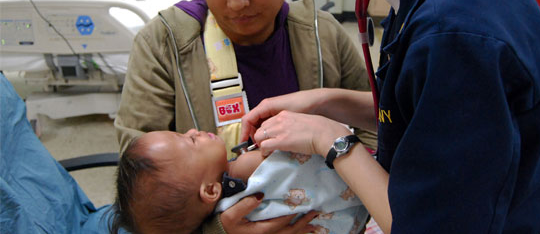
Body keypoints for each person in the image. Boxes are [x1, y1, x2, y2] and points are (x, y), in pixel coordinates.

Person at [242, 0, 540, 233]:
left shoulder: (452, 32)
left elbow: (428, 226)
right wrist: (324, 102)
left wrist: (330, 139)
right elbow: (429, 111)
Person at [114, 0, 376, 232]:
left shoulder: (321, 34)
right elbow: (142, 186)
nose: (236, 2)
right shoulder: (166, 44)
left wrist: (346, 199)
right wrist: (220, 229)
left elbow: (377, 125)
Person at [109, 129, 368, 234]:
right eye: (190, 141)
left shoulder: (218, 209)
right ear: (211, 190)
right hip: (366, 186)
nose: (193, 130)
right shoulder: (246, 167)